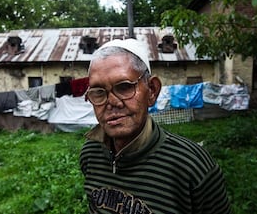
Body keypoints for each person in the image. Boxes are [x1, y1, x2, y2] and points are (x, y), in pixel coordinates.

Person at [80, 39, 231, 214]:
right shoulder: (91, 154)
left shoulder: (192, 166)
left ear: (152, 90)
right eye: (98, 92)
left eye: (124, 87)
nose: (112, 102)